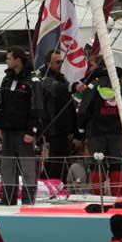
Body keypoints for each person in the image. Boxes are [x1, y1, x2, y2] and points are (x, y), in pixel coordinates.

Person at [0, 46, 43, 205]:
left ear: (17, 59)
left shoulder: (32, 80)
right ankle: (8, 198)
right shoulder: (6, 78)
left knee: (27, 165)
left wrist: (32, 130)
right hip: (7, 130)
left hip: (24, 131)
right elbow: (0, 103)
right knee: (7, 165)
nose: (6, 61)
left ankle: (29, 198)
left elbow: (37, 107)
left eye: (8, 58)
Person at [78, 55, 122, 196]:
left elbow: (84, 108)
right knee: (116, 163)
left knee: (97, 163)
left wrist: (81, 128)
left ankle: (97, 196)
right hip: (118, 131)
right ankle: (117, 195)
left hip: (96, 131)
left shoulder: (94, 84)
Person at [41, 50, 79, 181]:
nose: (60, 64)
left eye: (61, 61)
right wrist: (73, 86)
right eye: (57, 62)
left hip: (64, 130)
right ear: (48, 63)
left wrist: (75, 129)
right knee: (55, 161)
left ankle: (57, 184)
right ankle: (51, 185)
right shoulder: (42, 76)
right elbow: (55, 88)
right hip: (52, 128)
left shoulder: (61, 78)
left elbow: (70, 105)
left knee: (63, 161)